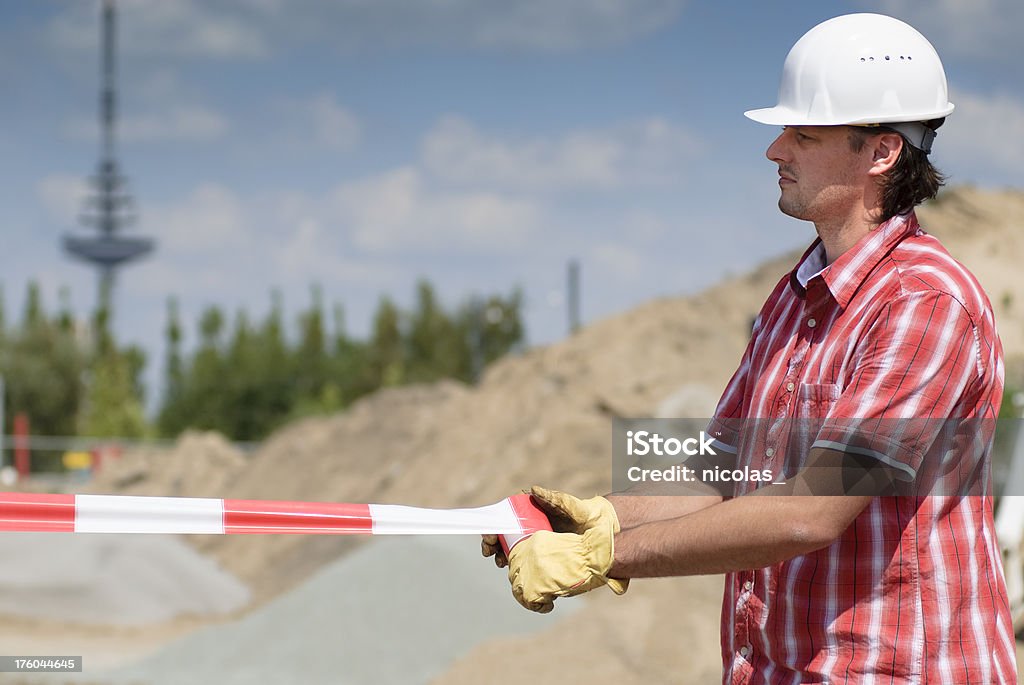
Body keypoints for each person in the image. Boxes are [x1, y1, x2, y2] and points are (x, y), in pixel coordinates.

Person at [482, 13, 1018, 684]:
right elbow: (725, 470)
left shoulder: (926, 304)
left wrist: (606, 556)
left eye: (802, 133)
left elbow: (811, 510)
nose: (775, 150)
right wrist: (603, 515)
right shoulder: (793, 296)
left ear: (881, 153)